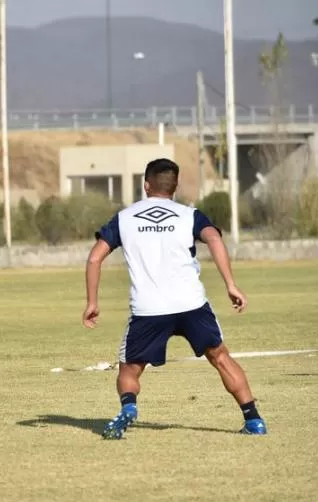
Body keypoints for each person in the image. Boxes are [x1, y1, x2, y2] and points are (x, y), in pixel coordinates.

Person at [82, 158, 267, 439]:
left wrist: (92, 302)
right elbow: (215, 239)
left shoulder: (124, 218)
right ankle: (253, 420)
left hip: (149, 309)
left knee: (129, 368)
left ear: (146, 185)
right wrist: (231, 284)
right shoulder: (190, 215)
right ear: (175, 187)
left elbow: (95, 258)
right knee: (221, 358)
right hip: (191, 304)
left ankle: (129, 406)